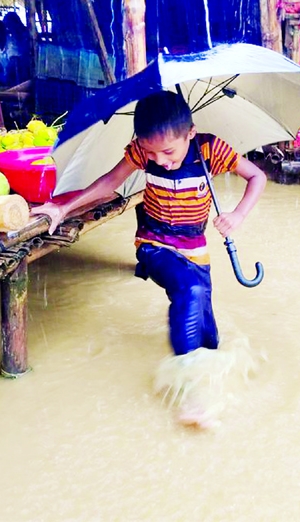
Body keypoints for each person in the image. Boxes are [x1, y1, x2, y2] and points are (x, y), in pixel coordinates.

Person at [32, 90, 266, 426]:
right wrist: (62, 208)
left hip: (195, 247)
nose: (160, 161)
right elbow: (111, 182)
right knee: (190, 291)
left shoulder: (210, 149)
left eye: (169, 151)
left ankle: (212, 382)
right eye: (152, 153)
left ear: (190, 132)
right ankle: (190, 394)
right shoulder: (142, 152)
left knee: (209, 335)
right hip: (153, 242)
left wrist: (239, 214)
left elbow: (257, 176)